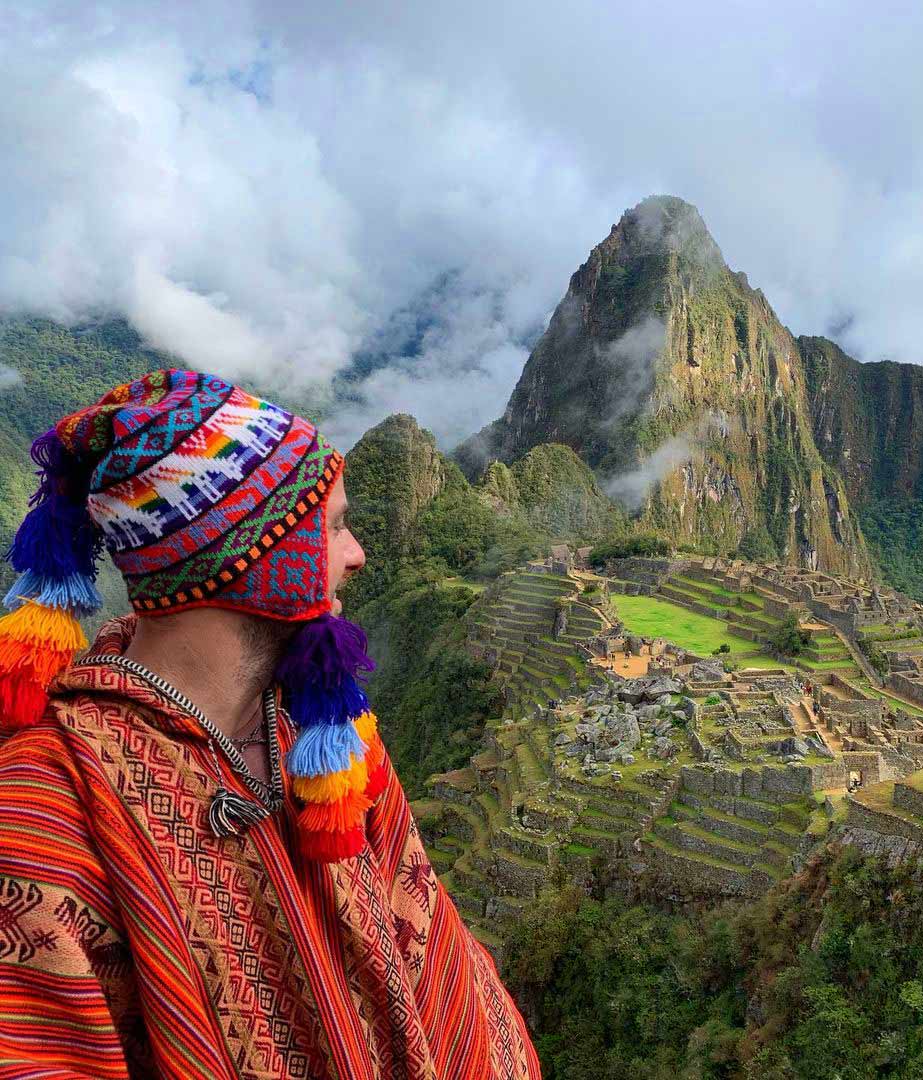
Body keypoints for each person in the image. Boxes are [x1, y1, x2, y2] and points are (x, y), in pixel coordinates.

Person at [0, 370, 541, 1079]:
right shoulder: (40, 816)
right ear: (259, 559)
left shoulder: (334, 743)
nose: (357, 555)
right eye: (336, 526)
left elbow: (439, 962)